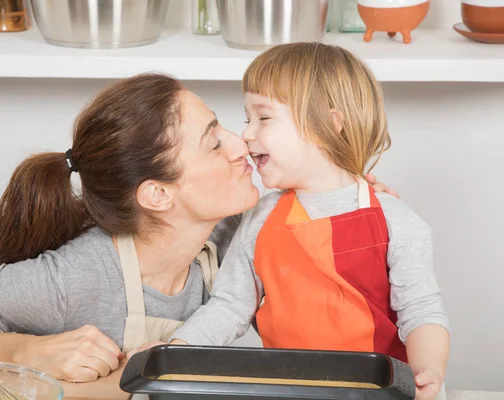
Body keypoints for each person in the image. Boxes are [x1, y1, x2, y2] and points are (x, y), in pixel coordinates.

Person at [0, 73, 395, 383]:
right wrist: (26, 350)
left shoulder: (235, 234)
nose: (240, 143)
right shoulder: (73, 279)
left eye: (223, 125)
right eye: (212, 142)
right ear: (158, 195)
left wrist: (347, 202)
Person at [164, 43, 450, 400]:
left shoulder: (396, 221)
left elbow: (422, 312)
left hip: (378, 393)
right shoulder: (260, 218)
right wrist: (176, 351)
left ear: (328, 125)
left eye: (263, 118)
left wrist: (429, 373)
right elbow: (230, 306)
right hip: (291, 391)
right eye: (247, 118)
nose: (247, 134)